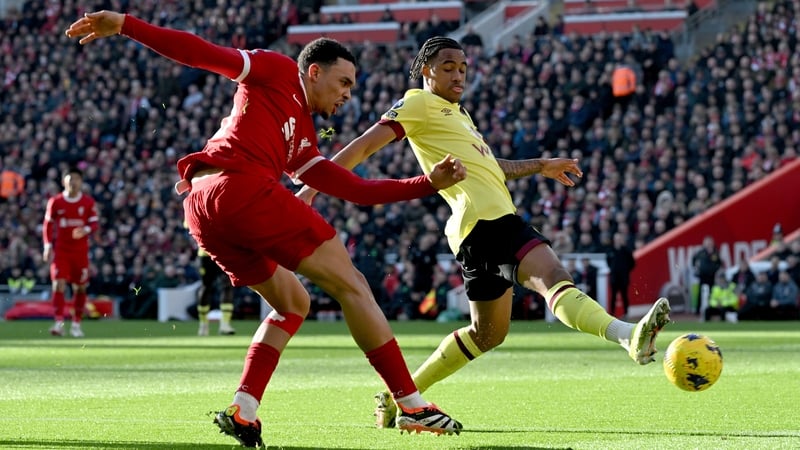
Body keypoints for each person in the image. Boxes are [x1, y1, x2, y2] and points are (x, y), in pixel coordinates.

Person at [65, 12, 466, 447]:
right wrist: (126, 24)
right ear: (314, 71)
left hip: (202, 208)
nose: (349, 93)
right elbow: (203, 54)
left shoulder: (303, 139)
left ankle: (244, 407)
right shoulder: (276, 70)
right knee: (352, 284)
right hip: (240, 188)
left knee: (293, 302)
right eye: (344, 82)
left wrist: (427, 183)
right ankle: (410, 403)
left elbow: (357, 190)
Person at [297, 36, 670, 428]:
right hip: (490, 221)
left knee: (487, 333)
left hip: (474, 231)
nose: (458, 75)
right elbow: (361, 147)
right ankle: (628, 335)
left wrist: (540, 164)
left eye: (463, 68)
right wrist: (311, 186)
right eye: (448, 67)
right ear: (426, 71)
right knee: (555, 278)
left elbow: (494, 166)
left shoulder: (459, 115)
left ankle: (399, 401)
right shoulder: (418, 103)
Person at [42, 167, 98, 338]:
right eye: (70, 178)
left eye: (76, 178)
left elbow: (95, 224)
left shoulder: (88, 202)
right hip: (62, 250)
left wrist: (86, 229)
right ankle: (59, 322)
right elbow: (48, 224)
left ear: (81, 182)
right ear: (63, 181)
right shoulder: (56, 201)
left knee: (80, 287)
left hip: (80, 252)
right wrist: (47, 245)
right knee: (58, 283)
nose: (73, 182)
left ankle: (76, 324)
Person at [196, 245, 237, 336]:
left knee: (226, 285)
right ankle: (203, 324)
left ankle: (225, 324)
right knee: (206, 287)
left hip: (222, 252)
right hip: (207, 252)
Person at [606, 232, 636, 318]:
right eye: (616, 239)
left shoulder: (626, 251)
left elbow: (632, 263)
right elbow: (608, 262)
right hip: (614, 277)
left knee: (624, 295)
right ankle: (611, 313)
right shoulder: (610, 250)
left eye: (619, 239)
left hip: (624, 277)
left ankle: (626, 313)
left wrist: (625, 271)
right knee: (613, 296)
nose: (618, 240)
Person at [692, 236, 722, 314]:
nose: (708, 244)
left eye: (710, 242)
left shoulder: (715, 252)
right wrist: (696, 268)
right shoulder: (701, 252)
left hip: (712, 276)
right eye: (707, 242)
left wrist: (715, 269)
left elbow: (719, 263)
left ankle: (710, 309)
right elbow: (694, 259)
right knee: (700, 293)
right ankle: (698, 310)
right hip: (703, 275)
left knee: (712, 293)